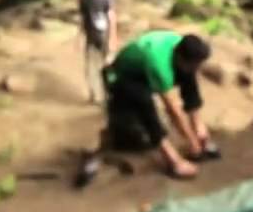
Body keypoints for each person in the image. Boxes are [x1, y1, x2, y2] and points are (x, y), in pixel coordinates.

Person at [92, 30, 215, 179]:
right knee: (145, 103)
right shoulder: (159, 65)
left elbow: (190, 76)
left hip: (147, 68)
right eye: (195, 64)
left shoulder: (183, 46)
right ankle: (173, 161)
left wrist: (198, 128)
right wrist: (191, 141)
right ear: (180, 58)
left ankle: (198, 128)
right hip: (120, 77)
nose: (198, 68)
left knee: (189, 75)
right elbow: (172, 109)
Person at [77, 0, 117, 104]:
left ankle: (111, 94)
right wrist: (79, 37)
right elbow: (83, 18)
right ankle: (95, 95)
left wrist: (113, 37)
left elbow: (112, 18)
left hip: (104, 36)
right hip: (90, 37)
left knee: (108, 66)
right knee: (91, 67)